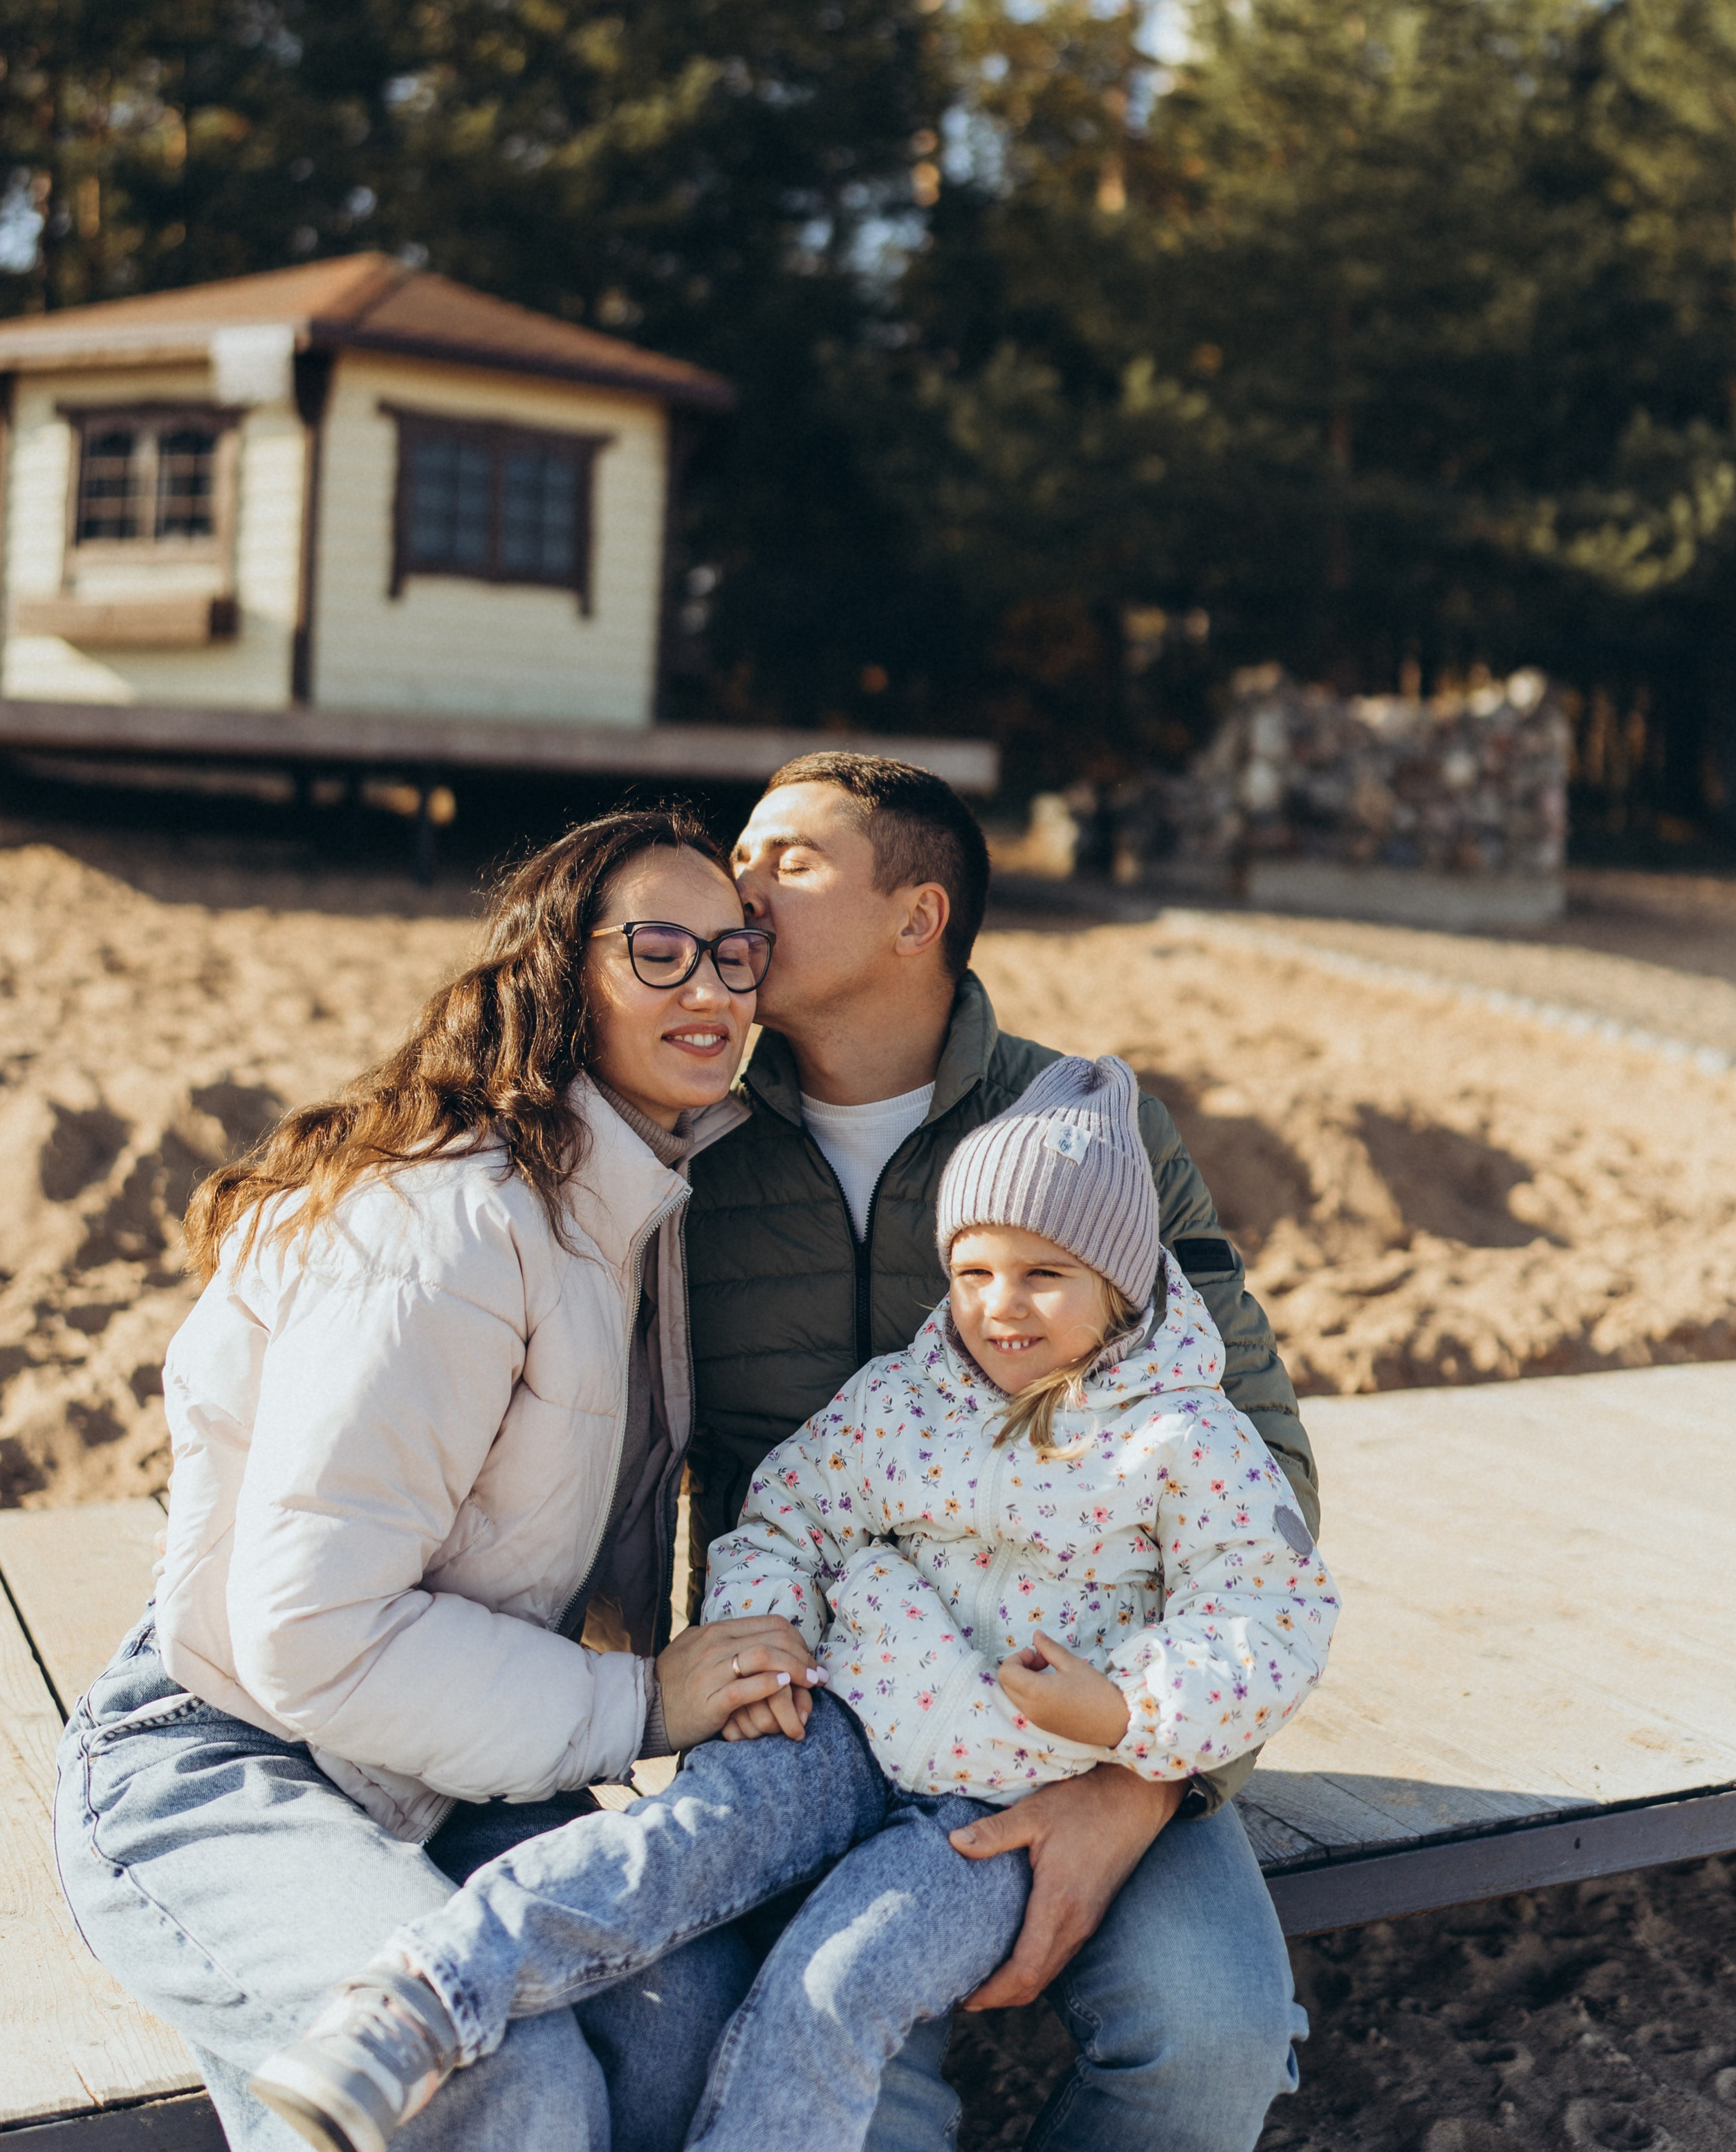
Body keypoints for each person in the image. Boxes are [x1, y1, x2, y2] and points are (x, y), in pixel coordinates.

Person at [248, 1056, 1338, 2152]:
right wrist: (768, 1644)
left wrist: (1127, 1717)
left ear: (1120, 1283)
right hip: (844, 1718)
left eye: (1044, 1275)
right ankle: (412, 2006)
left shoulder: (1184, 1440)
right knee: (677, 1846)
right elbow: (786, 1516)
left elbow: (1269, 1612)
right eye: (973, 1270)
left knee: (840, 1984)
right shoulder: (904, 1401)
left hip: (1007, 1803)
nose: (1000, 1307)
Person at [53, 809, 820, 2152]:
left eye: (733, 953)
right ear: (558, 972)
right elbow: (307, 1632)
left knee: (691, 2029)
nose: (707, 988)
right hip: (223, 1750)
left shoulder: (636, 1193)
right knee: (497, 2090)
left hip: (447, 1765)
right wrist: (640, 1702)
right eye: (657, 951)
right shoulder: (451, 1219)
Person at [685, 754, 1322, 2152]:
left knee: (1209, 2042)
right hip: (825, 1706)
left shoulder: (1083, 1130)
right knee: (852, 2075)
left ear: (917, 918)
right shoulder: (687, 1147)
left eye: (788, 859)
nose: (738, 883)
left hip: (1083, 1694)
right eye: (737, 849)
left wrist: (1139, 1779)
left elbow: (1253, 1454)